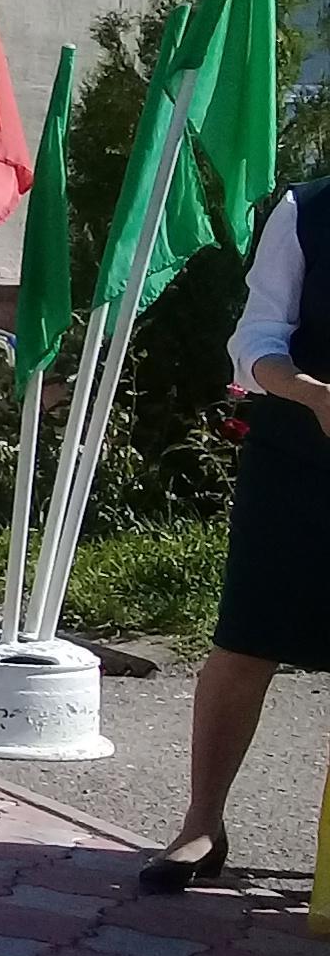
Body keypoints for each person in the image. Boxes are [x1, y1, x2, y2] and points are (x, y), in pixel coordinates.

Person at [139, 177, 330, 891]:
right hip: (300, 459)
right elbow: (255, 341)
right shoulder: (306, 211)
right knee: (247, 641)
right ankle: (201, 824)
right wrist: (310, 393)